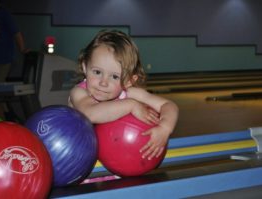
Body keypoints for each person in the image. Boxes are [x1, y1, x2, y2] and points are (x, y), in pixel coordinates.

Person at [69, 30, 179, 160]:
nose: (103, 82)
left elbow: (168, 105)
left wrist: (165, 128)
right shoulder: (79, 93)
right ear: (85, 67)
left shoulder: (129, 93)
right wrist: (131, 105)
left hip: (116, 160)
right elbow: (90, 113)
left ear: (129, 81)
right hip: (79, 160)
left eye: (114, 76)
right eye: (97, 72)